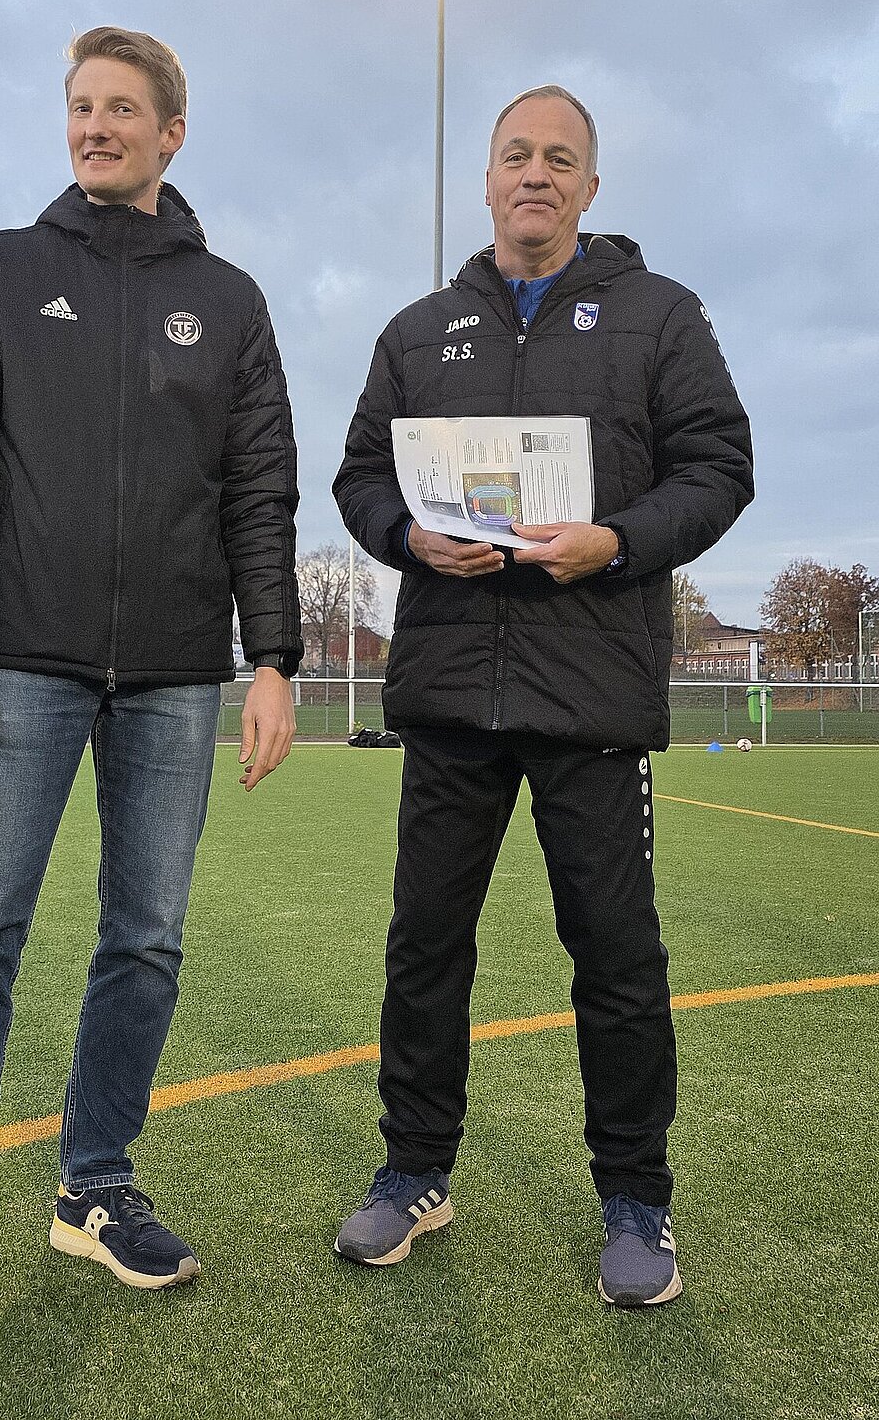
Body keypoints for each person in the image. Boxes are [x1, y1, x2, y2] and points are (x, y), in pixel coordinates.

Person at [0, 26, 303, 1375]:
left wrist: (273, 657)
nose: (97, 125)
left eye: (123, 107)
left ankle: (96, 1187)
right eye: (82, 104)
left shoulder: (230, 300)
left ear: (171, 132)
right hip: (17, 659)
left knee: (146, 938)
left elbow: (261, 490)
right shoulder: (1, 270)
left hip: (179, 673)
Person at [331, 85, 752, 1307]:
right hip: (451, 693)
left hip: (591, 698)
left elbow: (720, 467)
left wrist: (615, 541)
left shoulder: (661, 314)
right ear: (486, 180)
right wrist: (408, 535)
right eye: (516, 154)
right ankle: (416, 1170)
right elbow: (361, 475)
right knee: (425, 946)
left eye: (560, 158)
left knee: (616, 955)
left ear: (590, 186)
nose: (536, 174)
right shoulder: (419, 331)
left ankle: (636, 1198)